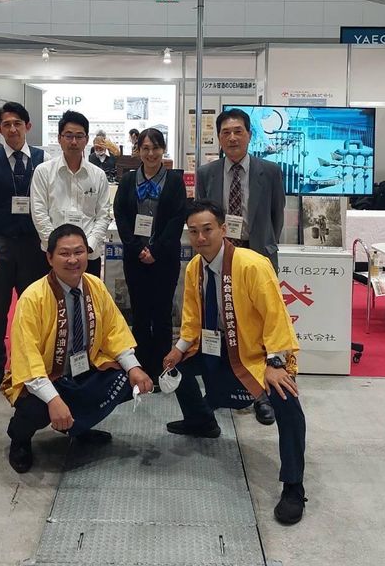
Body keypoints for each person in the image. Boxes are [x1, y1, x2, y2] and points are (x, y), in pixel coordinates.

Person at [163, 200, 307, 525]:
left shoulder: (252, 265)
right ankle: (201, 421)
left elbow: (275, 316)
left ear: (224, 229)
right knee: (175, 369)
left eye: (207, 229)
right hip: (214, 348)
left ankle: (294, 486)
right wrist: (180, 348)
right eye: (194, 232)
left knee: (287, 402)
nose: (201, 238)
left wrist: (275, 362)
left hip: (255, 355)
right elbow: (191, 317)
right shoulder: (194, 267)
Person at [4, 224, 153, 473]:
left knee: (125, 380)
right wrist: (53, 400)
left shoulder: (95, 285)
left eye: (79, 252)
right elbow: (27, 358)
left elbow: (114, 332)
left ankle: (79, 427)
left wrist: (134, 368)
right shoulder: (33, 297)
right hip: (47, 376)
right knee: (36, 408)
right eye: (64, 253)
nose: (73, 260)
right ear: (49, 258)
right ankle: (19, 439)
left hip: (83, 369)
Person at [196, 107, 286, 426]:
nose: (232, 137)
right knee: (221, 319)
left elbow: (276, 216)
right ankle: (224, 388)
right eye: (226, 132)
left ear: (249, 135)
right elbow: (203, 217)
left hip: (256, 254)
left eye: (238, 131)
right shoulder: (207, 173)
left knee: (258, 324)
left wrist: (263, 248)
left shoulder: (270, 171)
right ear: (219, 138)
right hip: (220, 255)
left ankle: (262, 393)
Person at [0, 101, 50, 390]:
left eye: (18, 123)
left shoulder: (43, 160)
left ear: (28, 126)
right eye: (7, 124)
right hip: (1, 244)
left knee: (35, 309)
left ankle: (30, 364)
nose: (13, 129)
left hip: (35, 245)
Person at [113, 127, 187, 385]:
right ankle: (142, 367)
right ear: (138, 151)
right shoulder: (128, 180)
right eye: (145, 148)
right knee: (140, 314)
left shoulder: (174, 181)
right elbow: (120, 215)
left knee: (163, 314)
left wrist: (155, 251)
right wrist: (137, 248)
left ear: (163, 149)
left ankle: (163, 369)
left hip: (164, 260)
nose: (151, 153)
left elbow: (177, 218)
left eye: (155, 148)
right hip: (135, 260)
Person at [31, 110, 111, 278]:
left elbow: (103, 215)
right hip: (52, 257)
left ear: (86, 140)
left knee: (87, 295)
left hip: (89, 255)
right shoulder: (43, 172)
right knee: (50, 295)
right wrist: (57, 248)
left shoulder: (98, 175)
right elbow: (39, 213)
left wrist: (88, 246)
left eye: (79, 136)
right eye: (68, 136)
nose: (74, 141)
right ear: (59, 138)